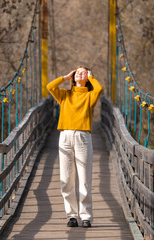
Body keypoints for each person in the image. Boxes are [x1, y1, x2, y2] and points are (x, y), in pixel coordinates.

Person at [46, 66, 103, 228]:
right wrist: (64, 77)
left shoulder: (90, 96)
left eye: (83, 72)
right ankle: (71, 215)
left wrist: (91, 77)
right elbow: (50, 87)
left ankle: (85, 216)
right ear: (73, 76)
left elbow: (99, 89)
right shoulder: (64, 95)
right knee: (66, 179)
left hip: (83, 136)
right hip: (65, 136)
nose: (79, 73)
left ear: (88, 76)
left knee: (84, 179)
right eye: (77, 71)